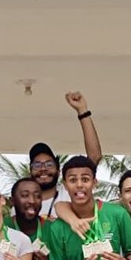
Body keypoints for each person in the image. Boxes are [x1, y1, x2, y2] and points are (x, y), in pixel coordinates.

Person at [29, 91, 102, 221]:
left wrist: (82, 111)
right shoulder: (23, 204)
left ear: (58, 170)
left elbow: (94, 156)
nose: (43, 168)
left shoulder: (69, 191)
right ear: (30, 170)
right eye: (37, 165)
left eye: (49, 164)